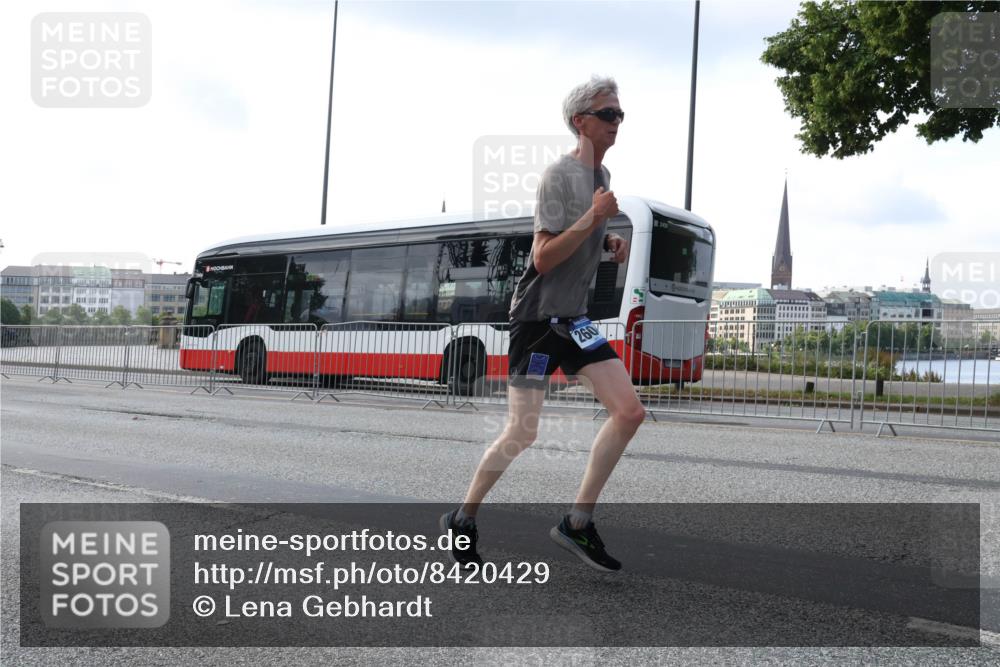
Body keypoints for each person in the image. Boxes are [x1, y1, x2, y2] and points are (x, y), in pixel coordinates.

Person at [441, 76, 646, 572]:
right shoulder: (558, 176)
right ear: (581, 121)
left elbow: (579, 238)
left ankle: (577, 523)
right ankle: (463, 518)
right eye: (608, 114)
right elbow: (544, 256)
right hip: (536, 320)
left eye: (620, 114)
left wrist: (608, 242)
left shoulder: (602, 175)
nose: (617, 122)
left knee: (629, 412)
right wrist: (594, 218)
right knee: (522, 432)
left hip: (574, 320)